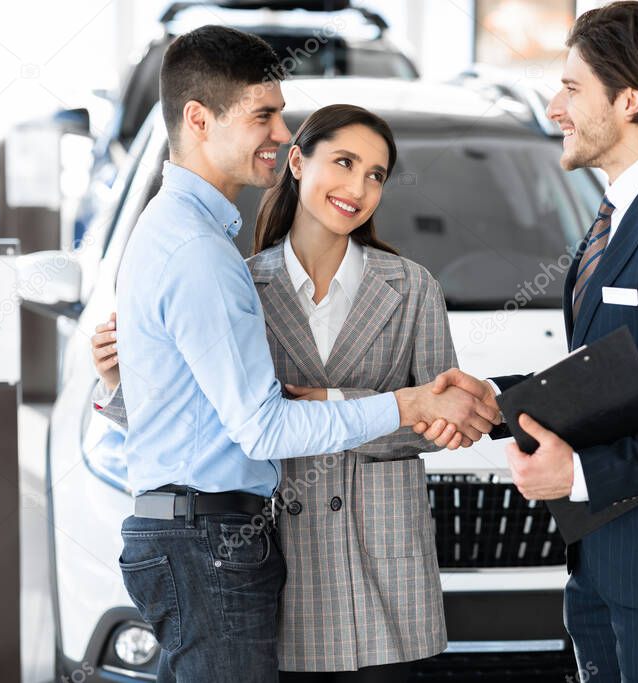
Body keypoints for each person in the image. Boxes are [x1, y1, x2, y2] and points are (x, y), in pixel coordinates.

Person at [94, 26, 495, 682]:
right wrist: (406, 402)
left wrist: (131, 372)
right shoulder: (214, 260)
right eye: (265, 115)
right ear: (199, 119)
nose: (279, 133)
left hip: (301, 557)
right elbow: (262, 426)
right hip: (218, 544)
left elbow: (197, 407)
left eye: (377, 175)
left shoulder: (190, 238)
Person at [415, 3, 638, 680]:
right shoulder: (619, 211)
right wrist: (499, 402)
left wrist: (582, 475)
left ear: (631, 100)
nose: (554, 108)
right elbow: (614, 372)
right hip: (605, 561)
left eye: (572, 88)